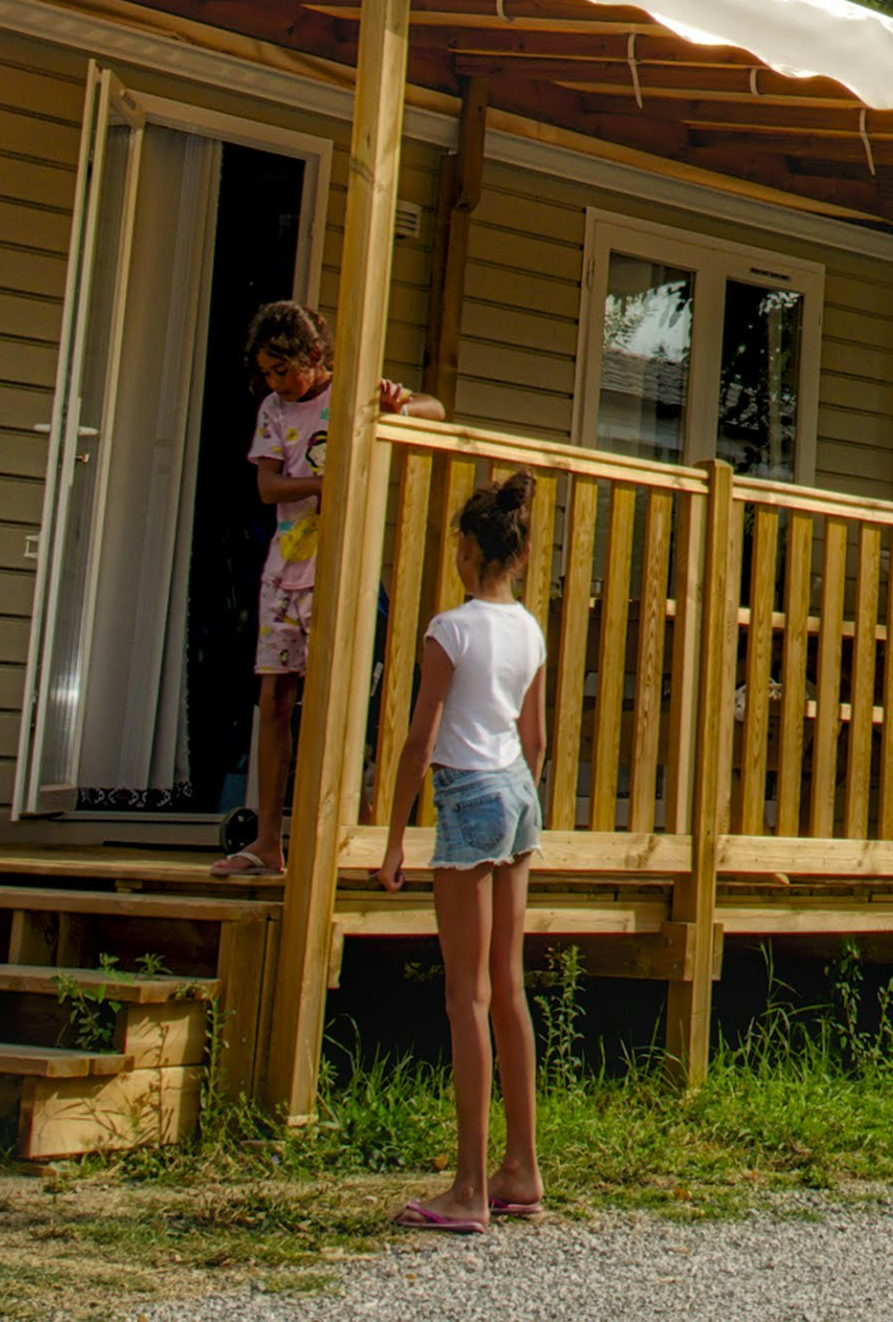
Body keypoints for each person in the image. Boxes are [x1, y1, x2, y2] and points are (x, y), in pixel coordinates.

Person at [379, 470, 549, 1235]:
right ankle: (523, 1168)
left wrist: (394, 838)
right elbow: (534, 738)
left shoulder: (450, 630)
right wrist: (521, 804)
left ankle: (470, 1189)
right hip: (517, 794)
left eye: (456, 543)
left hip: (468, 794)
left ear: (471, 550)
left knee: (466, 997)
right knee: (508, 988)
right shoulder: (529, 629)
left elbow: (420, 740)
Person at [217, 299, 411, 882]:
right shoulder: (274, 410)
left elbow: (433, 408)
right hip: (285, 572)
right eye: (267, 373)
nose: (276, 382)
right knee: (275, 700)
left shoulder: (350, 394)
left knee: (339, 702)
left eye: (283, 369)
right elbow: (268, 486)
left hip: (339, 571)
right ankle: (267, 840)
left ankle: (337, 833)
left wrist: (398, 400)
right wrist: (327, 481)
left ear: (315, 355)